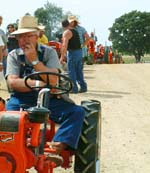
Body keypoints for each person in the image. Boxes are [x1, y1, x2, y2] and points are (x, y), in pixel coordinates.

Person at [5, 15, 85, 163]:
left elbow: (54, 81)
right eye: (21, 36)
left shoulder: (49, 53)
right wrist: (39, 84)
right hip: (21, 100)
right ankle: (11, 153)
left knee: (77, 112)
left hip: (48, 100)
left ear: (37, 36)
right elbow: (13, 83)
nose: (25, 40)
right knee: (7, 118)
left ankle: (56, 147)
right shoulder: (13, 56)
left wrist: (35, 60)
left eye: (29, 35)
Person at [60, 19, 87, 93]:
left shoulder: (66, 32)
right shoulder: (75, 31)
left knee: (71, 71)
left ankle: (73, 88)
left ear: (62, 26)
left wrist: (62, 57)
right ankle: (83, 87)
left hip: (72, 53)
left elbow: (64, 45)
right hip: (79, 52)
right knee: (79, 71)